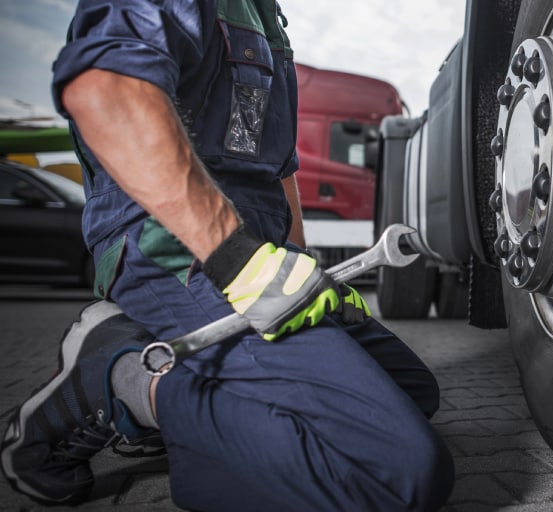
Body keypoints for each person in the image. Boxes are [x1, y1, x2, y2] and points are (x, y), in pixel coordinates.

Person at [0, 1, 454, 510]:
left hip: (254, 247)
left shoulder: (263, 12)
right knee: (400, 476)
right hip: (173, 243)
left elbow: (278, 168)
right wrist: (239, 263)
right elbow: (105, 89)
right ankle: (127, 381)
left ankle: (185, 384)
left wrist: (299, 268)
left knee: (412, 392)